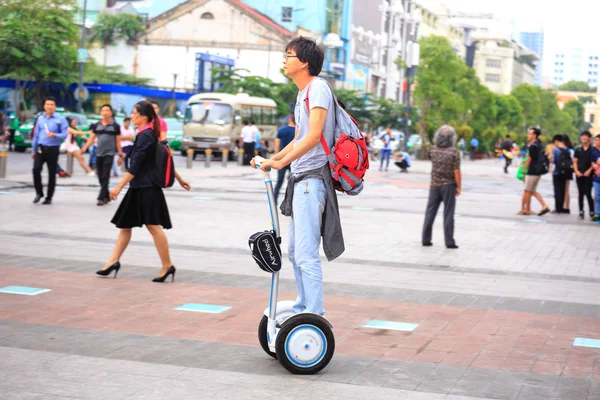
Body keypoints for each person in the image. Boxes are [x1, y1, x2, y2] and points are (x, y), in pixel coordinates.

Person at [252, 36, 344, 316]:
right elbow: (299, 138)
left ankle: (314, 315)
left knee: (305, 255)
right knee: (294, 253)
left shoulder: (317, 88)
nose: (284, 60)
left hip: (311, 181)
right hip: (301, 180)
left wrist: (280, 164)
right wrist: (274, 160)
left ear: (304, 62)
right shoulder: (303, 93)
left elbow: (314, 136)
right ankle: (303, 307)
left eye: (288, 55)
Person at [97, 101, 191, 282]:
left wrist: (118, 186)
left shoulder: (146, 136)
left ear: (143, 117)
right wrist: (179, 179)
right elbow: (160, 159)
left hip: (147, 188)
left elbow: (137, 166)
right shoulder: (146, 134)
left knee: (153, 226)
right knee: (125, 225)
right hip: (138, 188)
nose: (131, 116)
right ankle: (113, 261)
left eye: (134, 113)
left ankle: (167, 265)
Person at [422, 125, 461, 249]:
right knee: (448, 213)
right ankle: (449, 241)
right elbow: (457, 172)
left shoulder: (433, 150)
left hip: (434, 185)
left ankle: (425, 239)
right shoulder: (454, 152)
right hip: (449, 185)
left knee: (430, 212)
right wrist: (459, 186)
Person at [80, 104, 125, 206]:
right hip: (99, 153)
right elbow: (91, 138)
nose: (105, 112)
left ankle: (101, 198)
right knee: (100, 175)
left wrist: (120, 155)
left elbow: (118, 142)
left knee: (105, 175)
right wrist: (84, 148)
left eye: (107, 110)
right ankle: (107, 195)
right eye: (103, 111)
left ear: (111, 113)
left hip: (109, 153)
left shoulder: (115, 126)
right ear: (100, 113)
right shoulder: (97, 125)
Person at [31, 97, 68, 205]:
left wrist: (55, 134)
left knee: (52, 173)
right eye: (48, 104)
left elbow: (65, 134)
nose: (50, 106)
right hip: (41, 148)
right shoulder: (40, 118)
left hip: (53, 149)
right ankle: (39, 192)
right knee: (36, 169)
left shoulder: (60, 119)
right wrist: (33, 150)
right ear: (44, 106)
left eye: (52, 104)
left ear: (55, 106)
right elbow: (36, 135)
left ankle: (49, 197)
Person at [518, 128, 550, 216]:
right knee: (531, 191)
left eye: (530, 134)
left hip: (532, 171)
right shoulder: (538, 144)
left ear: (534, 135)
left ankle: (543, 206)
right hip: (537, 171)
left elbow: (529, 159)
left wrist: (524, 170)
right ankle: (527, 209)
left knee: (528, 190)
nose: (528, 135)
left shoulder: (533, 146)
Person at [273, 114, 296, 202]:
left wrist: (276, 157)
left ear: (290, 119)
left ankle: (274, 200)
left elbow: (277, 145)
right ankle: (291, 202)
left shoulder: (281, 130)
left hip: (282, 159)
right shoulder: (297, 132)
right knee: (292, 182)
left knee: (279, 182)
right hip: (293, 159)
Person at [574, 131, 595, 220]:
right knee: (580, 193)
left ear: (589, 138)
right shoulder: (578, 149)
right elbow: (575, 161)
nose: (583, 138)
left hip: (588, 174)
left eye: (586, 136)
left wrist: (589, 170)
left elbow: (593, 162)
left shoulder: (593, 150)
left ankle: (591, 210)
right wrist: (576, 171)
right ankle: (581, 211)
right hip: (579, 173)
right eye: (582, 136)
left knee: (588, 193)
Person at [551, 135, 571, 214]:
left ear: (556, 141)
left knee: (557, 190)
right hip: (565, 172)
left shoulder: (556, 150)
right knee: (563, 190)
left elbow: (554, 161)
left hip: (557, 172)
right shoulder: (567, 149)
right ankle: (562, 207)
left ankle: (558, 208)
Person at [591, 135, 600, 221]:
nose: (595, 142)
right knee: (597, 196)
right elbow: (593, 164)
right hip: (597, 177)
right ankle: (597, 213)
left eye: (597, 140)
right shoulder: (594, 152)